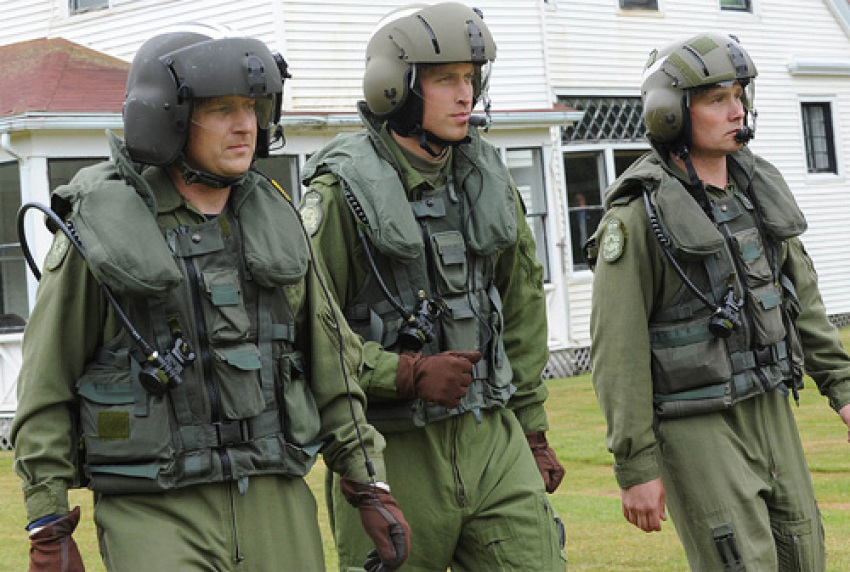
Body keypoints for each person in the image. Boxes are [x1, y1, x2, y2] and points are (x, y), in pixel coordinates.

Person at [11, 31, 409, 572]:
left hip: (275, 497)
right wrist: (47, 523)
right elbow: (46, 385)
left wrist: (370, 485)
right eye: (223, 110)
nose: (246, 125)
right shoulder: (99, 232)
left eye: (252, 107)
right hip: (154, 509)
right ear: (167, 116)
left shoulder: (278, 220)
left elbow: (331, 365)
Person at [300, 3, 567, 571]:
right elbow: (309, 338)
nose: (465, 94)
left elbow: (520, 306)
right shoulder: (341, 194)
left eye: (470, 78)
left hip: (490, 435)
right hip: (392, 448)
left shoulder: (487, 175)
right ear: (395, 87)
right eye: (445, 79)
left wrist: (532, 426)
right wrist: (404, 373)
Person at [585, 32, 850, 571]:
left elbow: (804, 302)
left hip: (770, 404)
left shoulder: (758, 193)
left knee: (805, 553)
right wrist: (636, 466)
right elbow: (619, 349)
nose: (736, 110)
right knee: (740, 562)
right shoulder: (637, 218)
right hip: (695, 421)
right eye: (716, 99)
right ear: (670, 113)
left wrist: (843, 390)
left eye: (738, 95)